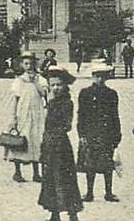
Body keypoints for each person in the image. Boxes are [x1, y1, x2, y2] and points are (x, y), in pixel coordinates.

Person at [37, 66, 83, 221]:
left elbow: (66, 125)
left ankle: (72, 212)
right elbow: (46, 125)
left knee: (65, 177)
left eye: (59, 85)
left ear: (65, 86)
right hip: (50, 144)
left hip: (61, 145)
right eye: (52, 85)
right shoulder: (51, 102)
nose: (56, 88)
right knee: (50, 178)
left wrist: (54, 134)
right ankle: (54, 213)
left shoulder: (66, 103)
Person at [76, 62, 121, 203]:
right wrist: (81, 134)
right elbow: (81, 114)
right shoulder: (85, 93)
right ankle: (89, 192)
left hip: (107, 132)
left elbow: (115, 115)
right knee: (90, 163)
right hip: (91, 132)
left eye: (103, 77)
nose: (100, 80)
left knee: (108, 163)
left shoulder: (111, 94)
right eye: (97, 76)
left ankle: (108, 192)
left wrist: (117, 134)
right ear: (92, 77)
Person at [6, 51, 48, 183]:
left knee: (36, 140)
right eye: (26, 64)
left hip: (37, 114)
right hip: (23, 113)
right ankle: (17, 172)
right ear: (22, 65)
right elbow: (15, 100)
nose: (29, 66)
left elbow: (43, 94)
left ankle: (36, 173)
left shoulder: (40, 79)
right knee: (21, 140)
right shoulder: (19, 81)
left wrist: (35, 82)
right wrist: (13, 117)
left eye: (31, 63)